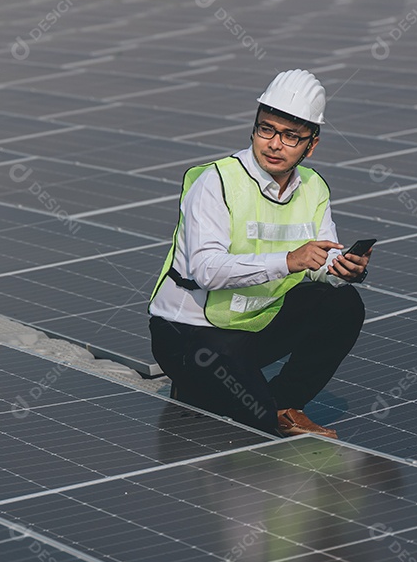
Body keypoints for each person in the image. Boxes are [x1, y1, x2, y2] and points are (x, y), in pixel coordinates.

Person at [148, 69, 371, 439]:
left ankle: (286, 403)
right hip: (192, 335)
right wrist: (289, 261)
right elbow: (206, 271)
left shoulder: (313, 188)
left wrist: (343, 268)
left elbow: (320, 261)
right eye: (266, 129)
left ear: (311, 145)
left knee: (343, 304)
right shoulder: (216, 181)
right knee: (256, 422)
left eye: (290, 136)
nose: (274, 144)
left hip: (252, 324)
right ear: (254, 128)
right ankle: (198, 385)